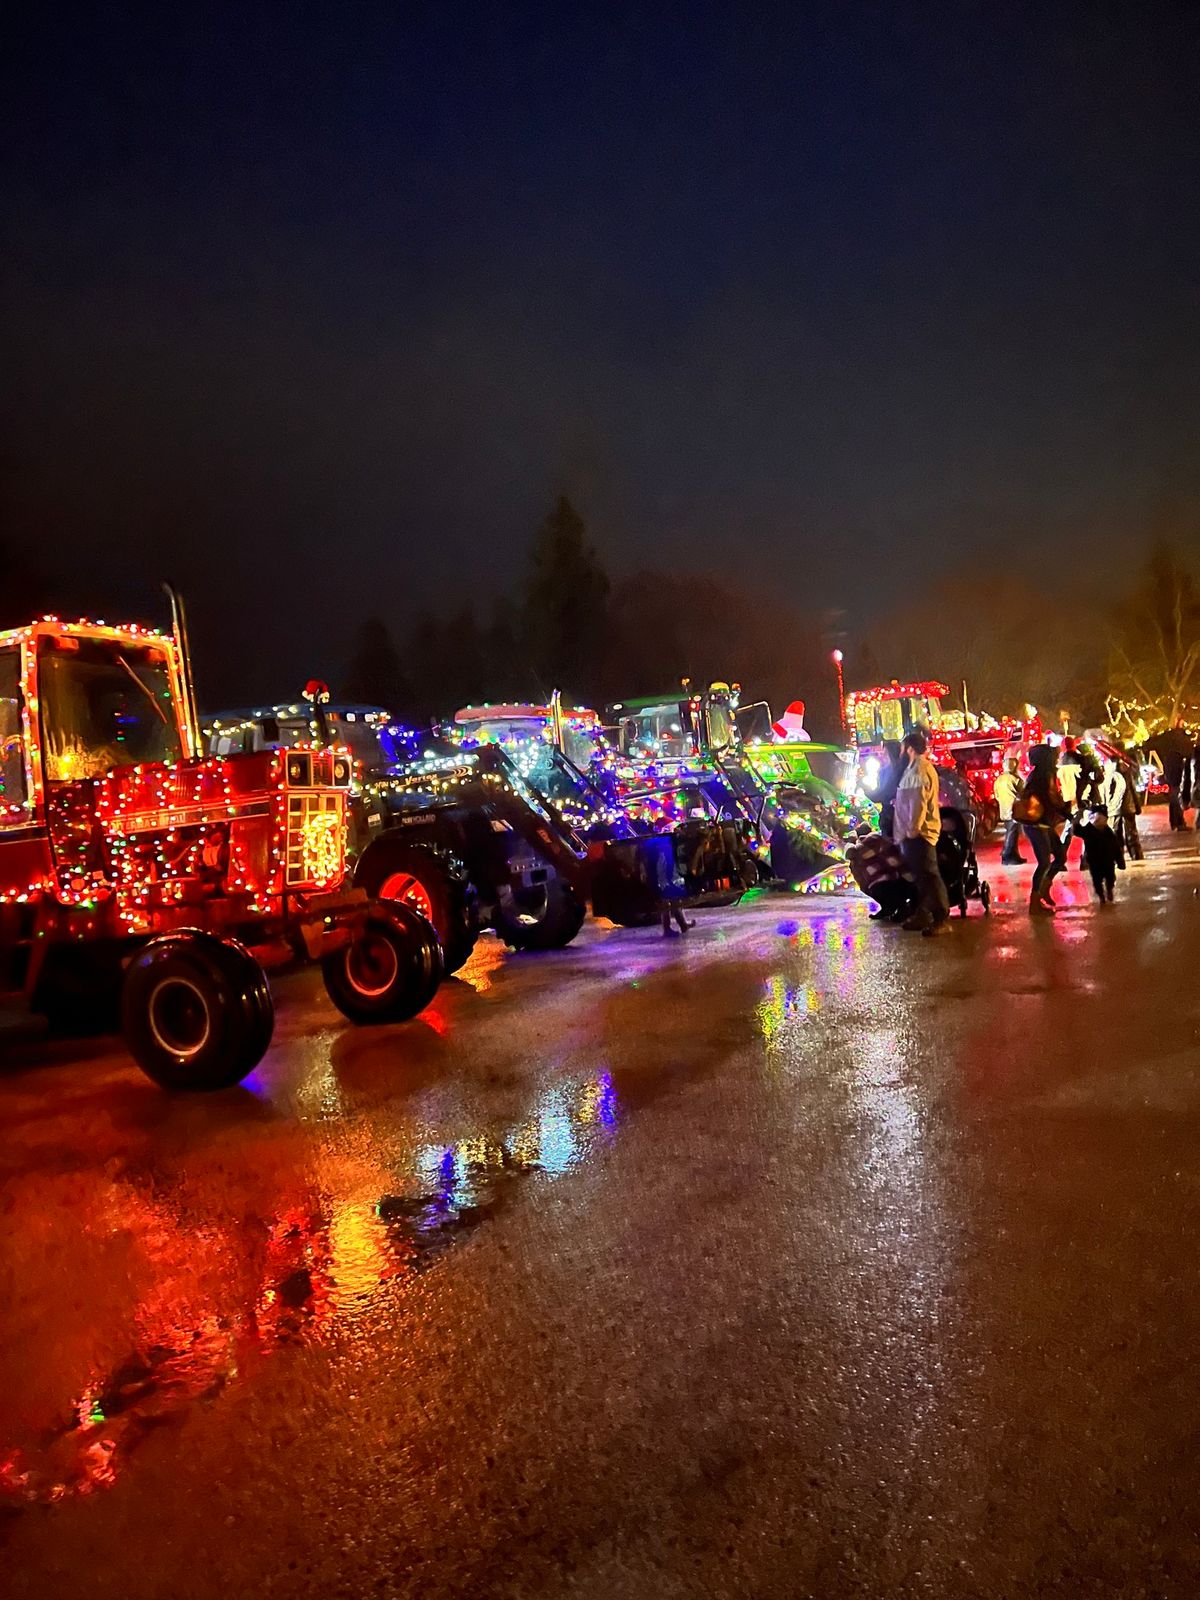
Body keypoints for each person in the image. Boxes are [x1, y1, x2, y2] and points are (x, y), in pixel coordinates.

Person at [893, 730, 950, 936]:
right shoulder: (915, 769)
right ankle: (924, 913)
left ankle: (941, 917)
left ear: (909, 748)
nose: (900, 751)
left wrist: (913, 829)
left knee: (929, 875)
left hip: (918, 833)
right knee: (921, 875)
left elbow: (917, 803)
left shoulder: (919, 770)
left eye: (902, 747)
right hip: (913, 832)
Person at [1020, 743, 1070, 915]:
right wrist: (1065, 809)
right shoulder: (1043, 775)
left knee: (1060, 855)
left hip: (1042, 823)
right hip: (1037, 824)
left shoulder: (1038, 775)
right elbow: (1050, 798)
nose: (1056, 758)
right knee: (1044, 862)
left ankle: (1043, 890)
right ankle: (1034, 902)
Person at [1150, 719, 1193, 831]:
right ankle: (1179, 823)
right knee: (1176, 799)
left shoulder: (1169, 744)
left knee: (1174, 799)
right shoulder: (1177, 744)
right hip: (1175, 776)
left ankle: (1176, 822)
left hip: (1171, 775)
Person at [1078, 810, 1122, 903]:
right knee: (1097, 880)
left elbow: (1116, 848)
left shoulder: (1109, 833)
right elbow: (1077, 831)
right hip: (1094, 861)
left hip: (1107, 860)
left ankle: (1108, 890)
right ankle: (1101, 895)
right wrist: (1076, 819)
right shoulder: (1088, 830)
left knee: (1109, 878)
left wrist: (1120, 861)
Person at [866, 739, 904, 840]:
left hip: (894, 817)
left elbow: (882, 794)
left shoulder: (897, 771)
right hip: (890, 817)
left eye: (885, 753)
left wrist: (865, 788)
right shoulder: (885, 771)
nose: (882, 756)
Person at [993, 755, 1027, 865]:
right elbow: (1024, 793)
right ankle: (1007, 856)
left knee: (1010, 832)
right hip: (1014, 810)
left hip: (1004, 810)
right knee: (1012, 834)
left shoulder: (999, 780)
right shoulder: (1015, 779)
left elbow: (996, 795)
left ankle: (1014, 855)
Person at [1117, 748, 1145, 862]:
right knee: (1131, 831)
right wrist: (1137, 806)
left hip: (1114, 807)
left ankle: (1118, 857)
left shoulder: (1106, 770)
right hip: (1128, 805)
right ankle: (1136, 854)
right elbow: (1132, 790)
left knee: (1115, 832)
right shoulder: (1125, 770)